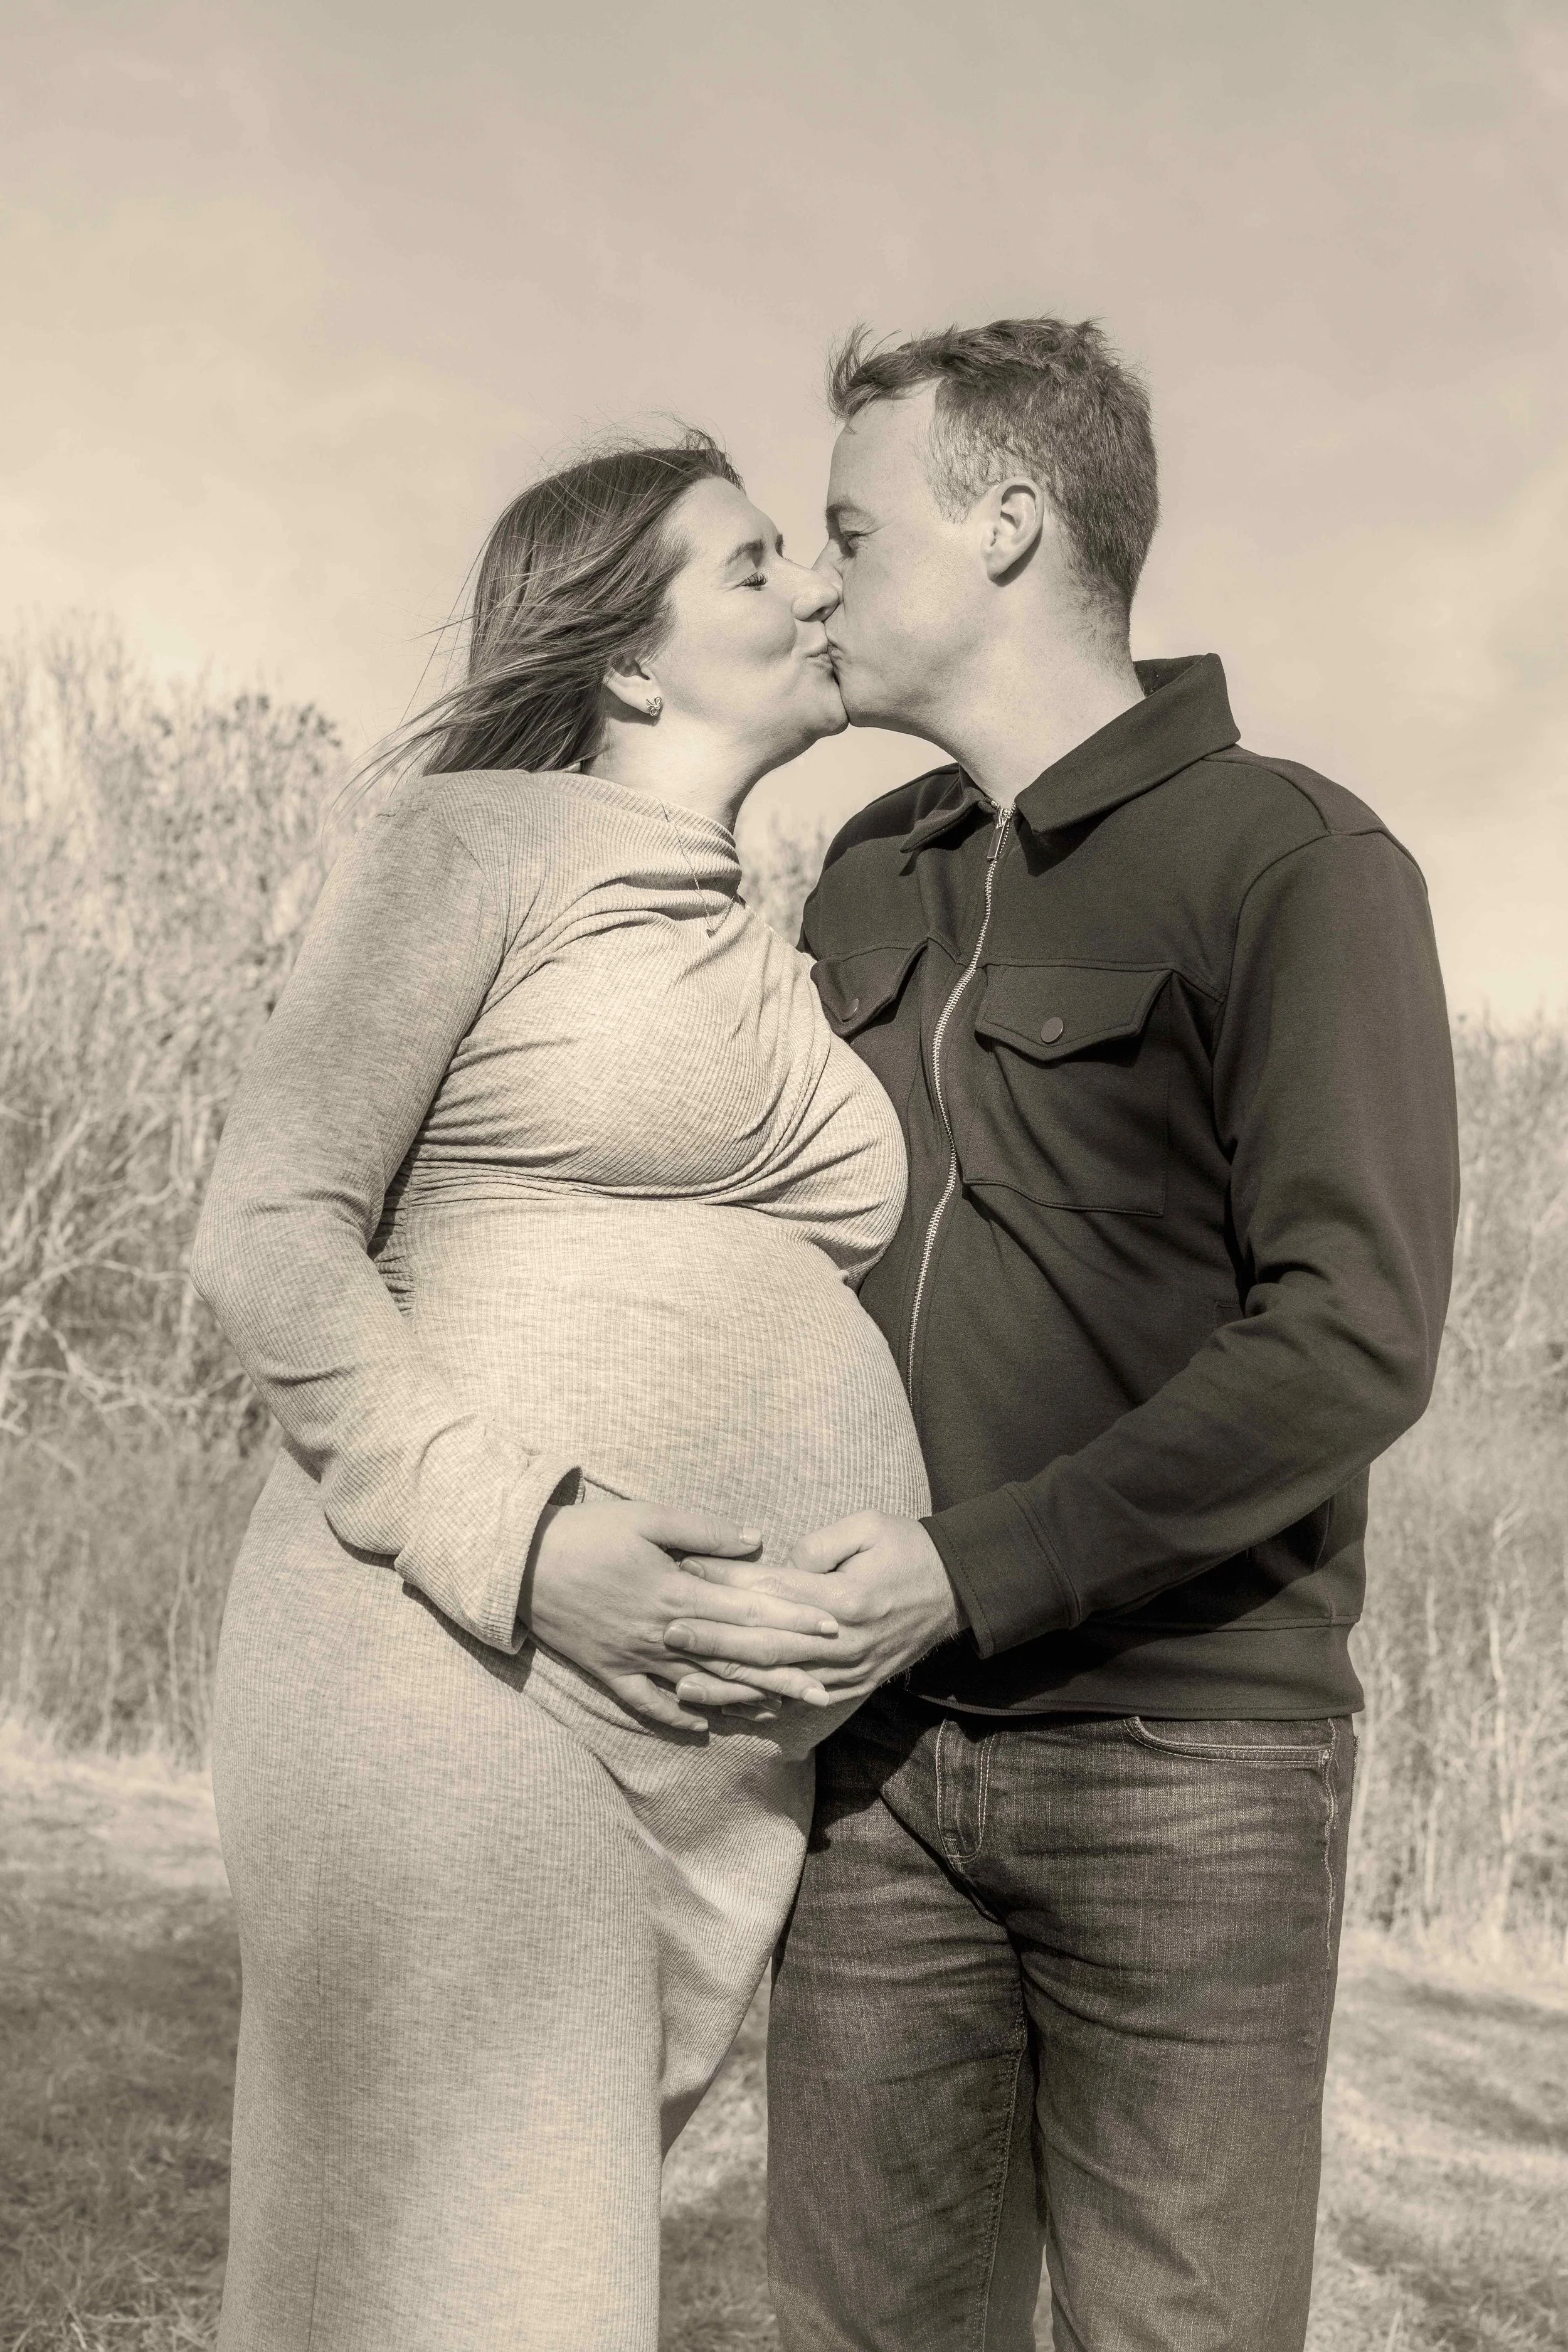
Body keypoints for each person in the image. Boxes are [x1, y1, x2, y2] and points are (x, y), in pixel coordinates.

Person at [664, 320, 1461, 2350]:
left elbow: (1349, 1337)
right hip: (870, 1768)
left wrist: (967, 1566)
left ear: (1005, 522)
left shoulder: (1294, 861)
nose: (813, 578)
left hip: (1186, 1764)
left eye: (848, 526)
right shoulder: (859, 873)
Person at [189, 430, 930, 2352]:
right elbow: (267, 1230)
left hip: (690, 1761)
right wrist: (525, 1537)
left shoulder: (758, 920)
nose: (816, 591)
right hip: (450, 1658)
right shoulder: (471, 844)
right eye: (755, 564)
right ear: (626, 658)